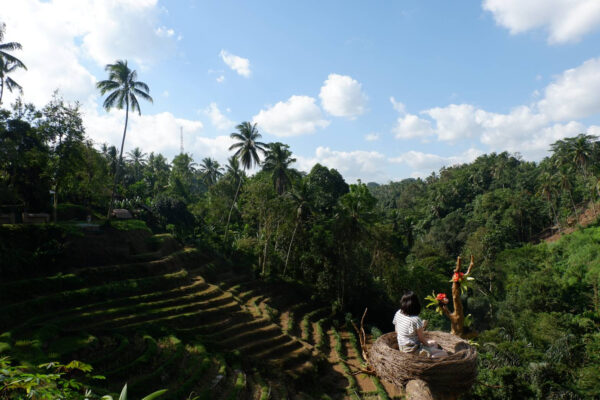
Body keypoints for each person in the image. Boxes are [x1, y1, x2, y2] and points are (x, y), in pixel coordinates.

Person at [392, 291, 447, 358]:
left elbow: (396, 331)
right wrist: (428, 346)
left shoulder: (398, 313)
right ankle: (429, 359)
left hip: (402, 347)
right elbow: (421, 339)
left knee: (434, 343)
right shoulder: (416, 319)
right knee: (444, 354)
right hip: (413, 350)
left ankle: (428, 353)